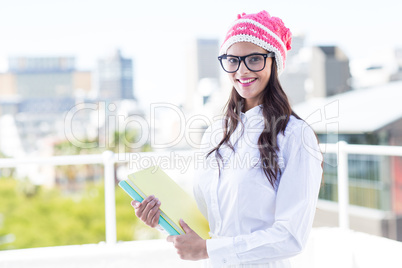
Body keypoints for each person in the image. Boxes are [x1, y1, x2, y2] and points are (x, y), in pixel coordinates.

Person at [131, 10, 323, 267]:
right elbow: (209, 223)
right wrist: (161, 219)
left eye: (254, 59)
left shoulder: (295, 135)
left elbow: (291, 237)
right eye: (232, 60)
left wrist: (210, 250)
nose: (242, 70)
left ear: (274, 62)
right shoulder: (216, 133)